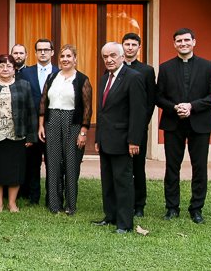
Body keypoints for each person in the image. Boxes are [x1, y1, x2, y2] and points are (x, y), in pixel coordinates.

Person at [157, 28, 211, 224]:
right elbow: (158, 97)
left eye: (186, 40)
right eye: (179, 41)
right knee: (172, 167)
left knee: (199, 167)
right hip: (173, 123)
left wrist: (192, 106)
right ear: (174, 44)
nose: (183, 44)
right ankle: (172, 208)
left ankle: (196, 209)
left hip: (200, 123)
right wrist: (175, 107)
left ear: (194, 42)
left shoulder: (208, 66)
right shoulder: (165, 67)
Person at [92, 42, 146, 234]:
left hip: (124, 141)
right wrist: (97, 138)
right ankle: (111, 216)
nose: (109, 59)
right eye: (105, 56)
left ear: (122, 56)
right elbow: (102, 112)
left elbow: (138, 113)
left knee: (123, 182)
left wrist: (134, 140)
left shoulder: (134, 78)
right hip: (106, 140)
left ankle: (124, 224)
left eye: (113, 55)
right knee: (108, 181)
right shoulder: (105, 77)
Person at [37, 44, 92, 215]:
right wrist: (41, 125)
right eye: (62, 56)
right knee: (52, 163)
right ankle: (54, 204)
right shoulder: (52, 77)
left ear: (75, 59)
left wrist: (83, 131)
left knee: (71, 163)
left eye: (69, 56)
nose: (65, 59)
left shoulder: (82, 79)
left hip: (73, 123)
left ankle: (71, 205)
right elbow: (43, 102)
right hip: (52, 121)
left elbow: (87, 108)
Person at [0, 54, 37, 212]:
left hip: (16, 135)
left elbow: (31, 111)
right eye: (1, 66)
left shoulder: (24, 85)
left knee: (14, 171)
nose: (5, 69)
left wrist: (31, 135)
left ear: (14, 69)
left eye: (9, 66)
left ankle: (12, 203)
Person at [121, 32, 157, 217]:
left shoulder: (147, 70)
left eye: (133, 44)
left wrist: (142, 125)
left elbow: (150, 101)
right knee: (122, 166)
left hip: (139, 128)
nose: (129, 47)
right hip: (119, 127)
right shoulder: (114, 68)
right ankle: (124, 201)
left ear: (139, 47)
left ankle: (139, 204)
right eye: (126, 44)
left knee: (138, 167)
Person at [19, 38, 57, 204]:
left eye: (46, 50)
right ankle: (33, 197)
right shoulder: (26, 73)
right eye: (40, 50)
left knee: (52, 163)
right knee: (32, 164)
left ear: (52, 52)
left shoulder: (59, 72)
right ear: (34, 53)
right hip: (31, 125)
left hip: (53, 123)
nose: (43, 53)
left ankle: (52, 197)